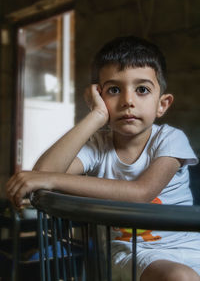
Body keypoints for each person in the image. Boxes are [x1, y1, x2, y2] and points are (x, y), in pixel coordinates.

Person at [6, 36, 200, 281]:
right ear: (98, 95)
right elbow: (43, 171)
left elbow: (141, 193)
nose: (128, 101)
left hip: (192, 247)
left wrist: (51, 180)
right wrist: (97, 116)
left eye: (142, 90)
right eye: (114, 90)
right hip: (133, 252)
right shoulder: (98, 146)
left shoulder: (170, 139)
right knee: (180, 278)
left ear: (162, 104)